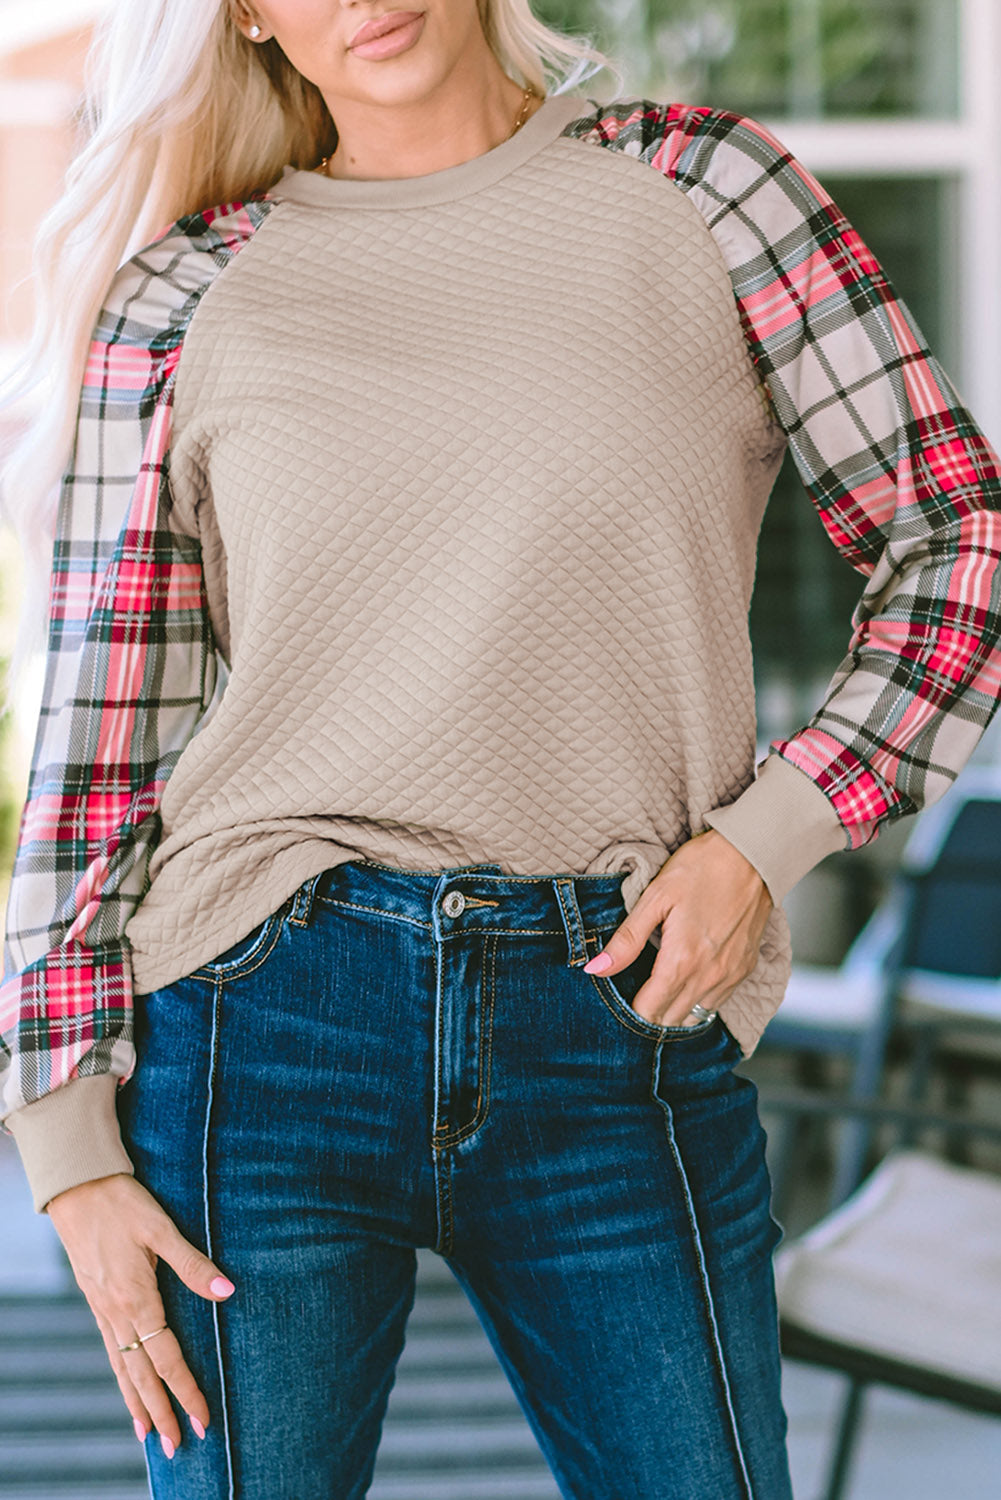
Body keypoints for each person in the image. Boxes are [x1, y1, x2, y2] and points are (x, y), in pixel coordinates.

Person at [2, 0, 1000, 1495]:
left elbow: (954, 535)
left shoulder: (706, 193)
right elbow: (99, 735)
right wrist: (68, 1142)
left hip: (620, 1007)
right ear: (252, 22)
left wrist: (767, 836)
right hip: (262, 1012)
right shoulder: (189, 292)